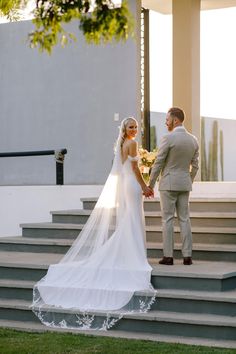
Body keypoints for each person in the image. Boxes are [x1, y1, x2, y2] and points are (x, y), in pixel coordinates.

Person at [32, 117, 156, 330]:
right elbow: (135, 170)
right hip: (133, 184)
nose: (134, 129)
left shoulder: (121, 144)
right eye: (131, 127)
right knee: (134, 219)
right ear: (124, 129)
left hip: (126, 185)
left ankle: (131, 252)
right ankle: (135, 255)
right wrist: (145, 187)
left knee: (130, 219)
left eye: (135, 126)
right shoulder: (132, 143)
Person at [148, 107, 199, 266]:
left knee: (167, 220)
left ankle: (168, 257)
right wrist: (188, 179)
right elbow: (195, 166)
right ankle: (187, 256)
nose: (165, 122)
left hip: (168, 184)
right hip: (184, 183)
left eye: (167, 119)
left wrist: (150, 184)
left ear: (175, 120)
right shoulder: (193, 140)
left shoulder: (168, 138)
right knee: (185, 219)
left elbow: (158, 163)